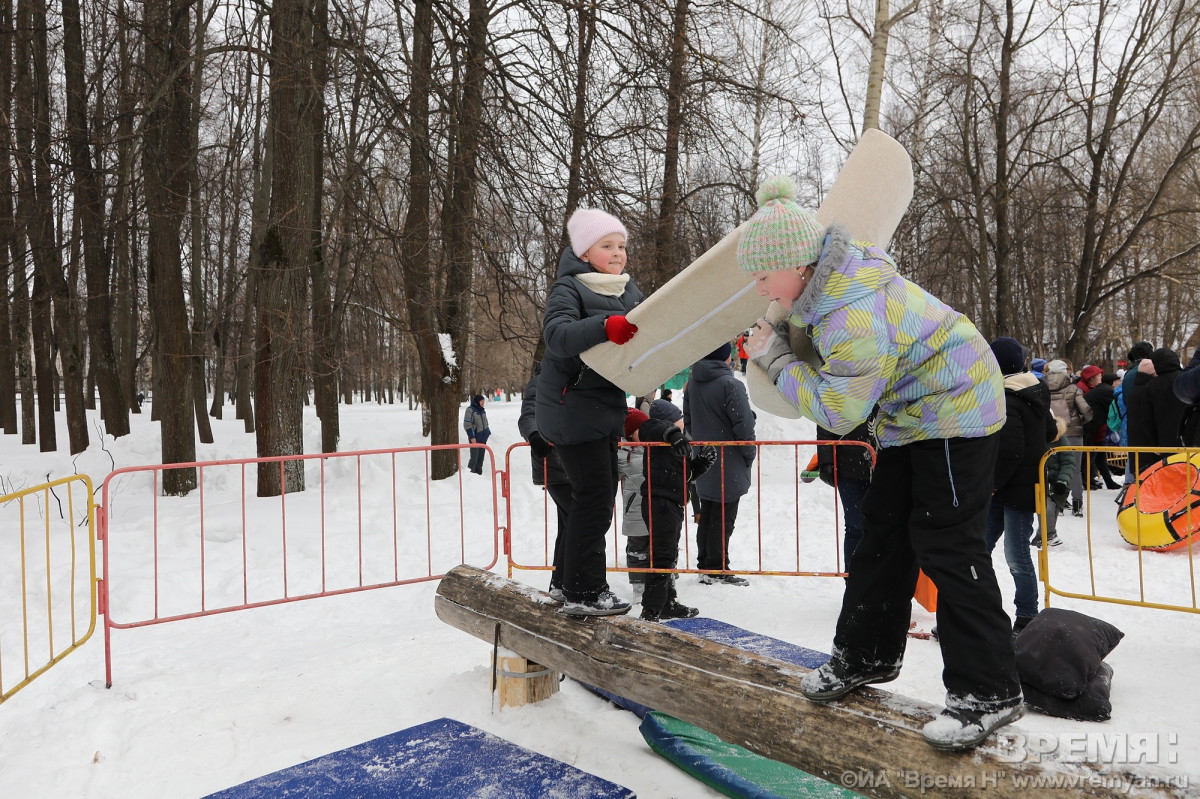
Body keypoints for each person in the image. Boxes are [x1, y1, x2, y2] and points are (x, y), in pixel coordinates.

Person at [738, 175, 1022, 750]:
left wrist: (775, 357)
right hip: (912, 415)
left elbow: (838, 413)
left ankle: (990, 691)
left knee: (947, 544)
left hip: (958, 410)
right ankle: (865, 655)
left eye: (764, 273)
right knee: (881, 534)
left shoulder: (852, 315)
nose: (759, 284)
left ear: (797, 265)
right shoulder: (829, 291)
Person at [535, 207, 643, 617]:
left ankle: (567, 583)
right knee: (595, 499)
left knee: (591, 498)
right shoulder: (569, 288)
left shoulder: (628, 291)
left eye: (622, 246)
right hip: (570, 409)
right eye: (607, 245)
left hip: (602, 409)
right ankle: (585, 589)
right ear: (584, 252)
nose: (618, 253)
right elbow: (558, 336)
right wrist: (605, 326)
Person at [986, 337, 1056, 634]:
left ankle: (1027, 614)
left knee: (1015, 555)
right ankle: (978, 610)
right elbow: (1052, 431)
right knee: (976, 550)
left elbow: (1009, 451)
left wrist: (991, 484)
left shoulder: (1009, 397)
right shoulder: (1031, 392)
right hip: (1012, 488)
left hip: (1012, 490)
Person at [623, 408, 716, 621]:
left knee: (669, 554)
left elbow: (685, 476)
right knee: (662, 557)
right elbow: (653, 427)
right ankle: (651, 609)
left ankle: (667, 602)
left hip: (672, 505)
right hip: (659, 504)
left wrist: (701, 464)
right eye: (679, 421)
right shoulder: (656, 432)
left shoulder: (669, 448)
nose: (682, 424)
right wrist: (673, 434)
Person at [683, 342, 756, 585]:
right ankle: (717, 568)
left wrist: (703, 446)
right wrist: (748, 453)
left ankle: (706, 564)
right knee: (724, 517)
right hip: (730, 458)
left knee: (709, 512)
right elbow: (744, 426)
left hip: (704, 458)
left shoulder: (693, 383)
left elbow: (689, 423)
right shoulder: (731, 385)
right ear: (725, 358)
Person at [519, 364, 572, 599]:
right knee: (578, 522)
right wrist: (534, 435)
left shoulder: (570, 376)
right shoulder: (542, 379)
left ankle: (560, 583)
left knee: (569, 525)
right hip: (555, 465)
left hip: (572, 464)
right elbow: (528, 414)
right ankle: (569, 583)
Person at [1126, 348, 1190, 472]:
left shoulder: (1150, 387)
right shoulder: (1186, 381)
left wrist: (1154, 443)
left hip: (1165, 442)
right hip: (1189, 440)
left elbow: (1147, 419)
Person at [1043, 359, 1092, 516]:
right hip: (1074, 433)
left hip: (1051, 434)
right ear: (1066, 371)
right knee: (1074, 469)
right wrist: (1080, 422)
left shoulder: (1043, 388)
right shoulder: (1073, 388)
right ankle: (1077, 504)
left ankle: (1058, 502)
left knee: (1051, 467)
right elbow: (1086, 410)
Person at [1034, 415, 1071, 548]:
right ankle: (1049, 534)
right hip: (1042, 482)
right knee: (1046, 506)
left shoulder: (1061, 440)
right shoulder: (1038, 440)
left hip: (1059, 482)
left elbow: (1068, 463)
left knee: (1054, 507)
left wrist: (1063, 481)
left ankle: (1041, 535)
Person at [1082, 373, 1121, 490]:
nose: (1120, 383)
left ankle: (1103, 481)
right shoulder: (1108, 391)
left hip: (1092, 427)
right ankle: (1086, 481)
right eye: (1118, 381)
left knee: (1096, 454)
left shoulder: (1101, 390)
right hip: (1088, 427)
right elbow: (1118, 407)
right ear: (1113, 382)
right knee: (1089, 455)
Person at [462, 394, 490, 475]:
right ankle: (470, 475)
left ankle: (479, 476)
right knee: (474, 459)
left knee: (480, 459)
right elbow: (467, 424)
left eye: (483, 401)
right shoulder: (470, 410)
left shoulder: (482, 410)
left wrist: (488, 432)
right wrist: (472, 436)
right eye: (481, 401)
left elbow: (486, 422)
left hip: (483, 438)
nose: (483, 402)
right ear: (477, 401)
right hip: (475, 438)